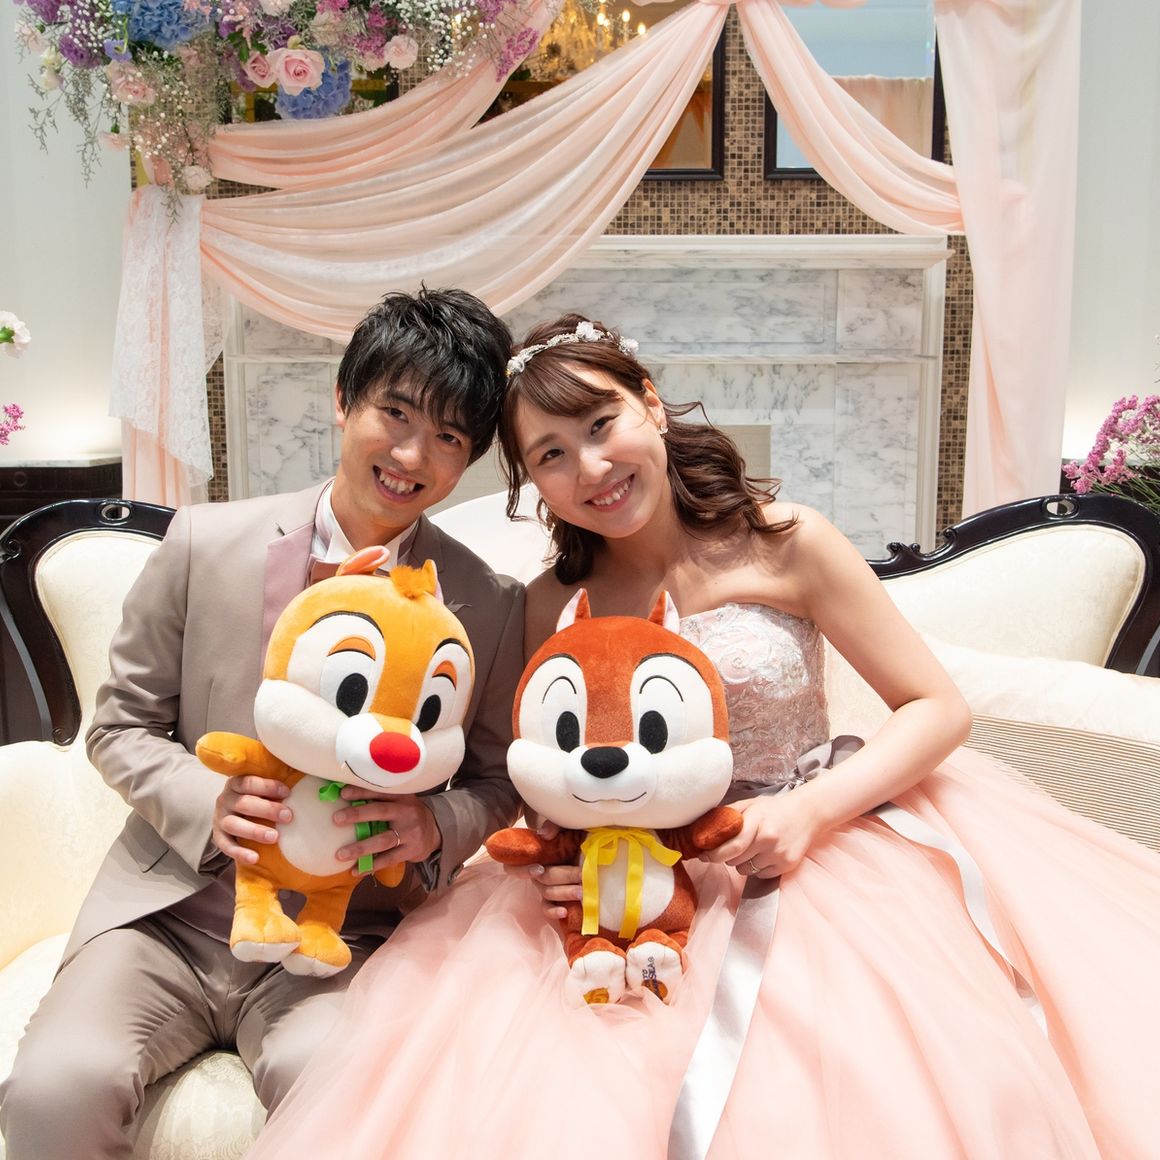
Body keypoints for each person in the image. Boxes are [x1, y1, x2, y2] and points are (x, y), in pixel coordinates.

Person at [247, 314, 1160, 1159]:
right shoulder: (547, 602)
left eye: (601, 424)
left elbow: (935, 707)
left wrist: (808, 814)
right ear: (531, 485)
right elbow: (535, 776)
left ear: (649, 402)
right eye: (552, 455)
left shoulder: (787, 542)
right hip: (626, 885)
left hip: (819, 858)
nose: (591, 468)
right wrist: (559, 855)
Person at [0, 288, 526, 1159]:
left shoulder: (486, 601)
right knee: (58, 1086)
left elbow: (497, 778)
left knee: (347, 1088)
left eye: (448, 438)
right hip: (170, 915)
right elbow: (119, 724)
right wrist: (209, 803)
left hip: (344, 931)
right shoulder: (204, 543)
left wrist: (435, 822)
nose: (411, 456)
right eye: (395, 413)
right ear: (343, 400)